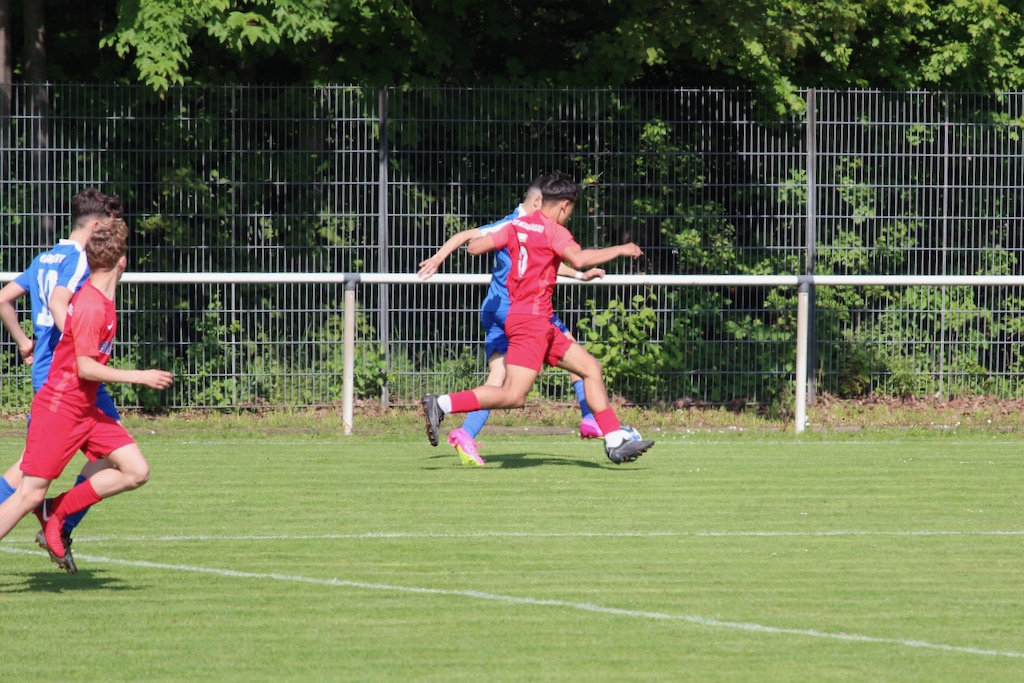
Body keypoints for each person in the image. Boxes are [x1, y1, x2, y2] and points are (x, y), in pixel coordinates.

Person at [422, 171, 654, 464]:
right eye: (571, 211)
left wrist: (514, 246)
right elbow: (579, 258)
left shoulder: (516, 225)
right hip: (530, 323)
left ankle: (615, 440)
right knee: (513, 395)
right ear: (564, 206)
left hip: (535, 320)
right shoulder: (554, 231)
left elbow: (475, 247)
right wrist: (622, 248)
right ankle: (443, 404)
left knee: (590, 368)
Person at [0, 218, 175, 565]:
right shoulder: (92, 306)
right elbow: (85, 368)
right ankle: (46, 509)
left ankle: (56, 512)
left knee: (135, 470)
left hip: (85, 408)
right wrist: (140, 376)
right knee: (28, 494)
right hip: (60, 409)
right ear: (122, 261)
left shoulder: (102, 301)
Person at [0, 188, 125, 573]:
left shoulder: (45, 257)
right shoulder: (78, 259)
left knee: (30, 469)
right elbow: (59, 301)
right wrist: (76, 338)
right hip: (68, 376)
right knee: (114, 458)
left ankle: (58, 519)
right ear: (97, 225)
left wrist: (24, 342)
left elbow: (3, 298)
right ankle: (60, 521)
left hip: (46, 372)